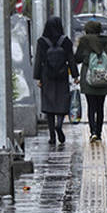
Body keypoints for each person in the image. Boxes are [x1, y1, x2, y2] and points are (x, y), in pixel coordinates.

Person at [33, 15, 79, 145]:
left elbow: (38, 60)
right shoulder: (65, 41)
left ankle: (52, 136)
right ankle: (59, 125)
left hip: (47, 77)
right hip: (62, 76)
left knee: (49, 105)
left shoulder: (41, 42)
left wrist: (38, 77)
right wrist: (75, 76)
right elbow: (71, 59)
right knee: (62, 101)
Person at [74, 20, 107, 142]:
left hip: (88, 78)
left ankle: (93, 132)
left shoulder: (84, 41)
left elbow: (77, 59)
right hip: (103, 78)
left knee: (91, 106)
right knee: (100, 107)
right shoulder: (106, 41)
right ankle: (99, 133)